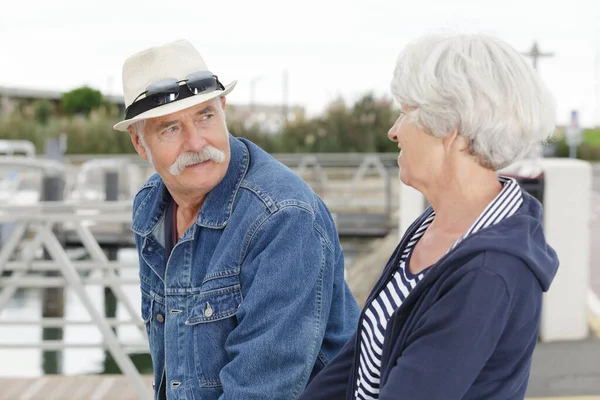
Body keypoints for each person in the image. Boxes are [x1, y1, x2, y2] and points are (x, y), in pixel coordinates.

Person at [299, 32, 559, 400]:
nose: (393, 131)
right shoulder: (435, 226)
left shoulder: (489, 272)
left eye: (405, 112)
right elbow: (357, 360)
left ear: (449, 127)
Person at [113, 39, 360, 400]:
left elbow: (262, 391)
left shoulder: (283, 217)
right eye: (171, 128)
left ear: (223, 109)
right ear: (139, 143)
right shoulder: (152, 205)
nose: (197, 142)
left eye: (206, 116)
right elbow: (174, 370)